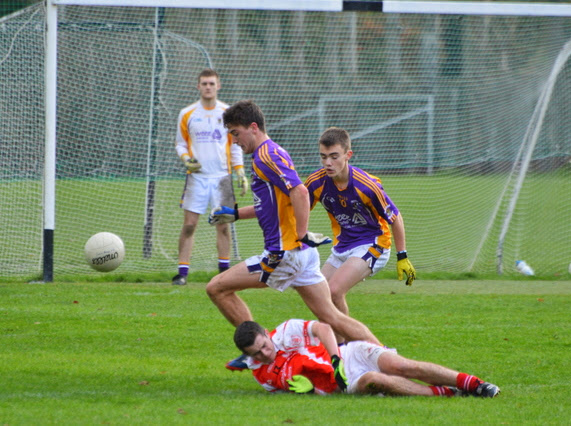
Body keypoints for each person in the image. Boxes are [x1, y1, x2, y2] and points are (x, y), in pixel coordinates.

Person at [206, 100, 381, 370]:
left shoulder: (267, 155)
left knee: (217, 288)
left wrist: (301, 234)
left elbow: (299, 192)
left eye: (236, 133)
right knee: (332, 317)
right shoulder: (268, 153)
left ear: (253, 128)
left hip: (282, 254)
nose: (235, 140)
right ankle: (384, 356)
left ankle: (257, 347)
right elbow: (273, 204)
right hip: (302, 255)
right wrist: (236, 213)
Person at [304, 127, 416, 330]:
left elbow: (395, 217)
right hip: (342, 246)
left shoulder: (366, 186)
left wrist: (402, 256)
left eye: (334, 156)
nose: (328, 163)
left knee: (334, 291)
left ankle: (347, 346)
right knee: (318, 296)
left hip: (374, 244)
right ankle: (335, 350)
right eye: (323, 157)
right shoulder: (316, 182)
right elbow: (297, 208)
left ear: (348, 155)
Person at [233, 318, 500, 398]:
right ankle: (446, 393)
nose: (265, 354)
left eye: (265, 346)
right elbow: (291, 391)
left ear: (266, 334)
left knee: (401, 365)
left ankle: (474, 384)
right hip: (342, 385)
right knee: (375, 380)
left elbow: (324, 328)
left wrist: (336, 360)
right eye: (256, 354)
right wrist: (309, 390)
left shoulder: (286, 330)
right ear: (247, 356)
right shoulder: (262, 374)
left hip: (350, 353)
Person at [173, 69, 249, 286]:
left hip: (222, 178)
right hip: (196, 178)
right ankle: (182, 273)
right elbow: (180, 143)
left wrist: (240, 172)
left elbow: (235, 145)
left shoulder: (227, 113)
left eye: (211, 83)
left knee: (223, 225)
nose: (208, 87)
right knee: (189, 225)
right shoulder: (187, 113)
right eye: (204, 83)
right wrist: (187, 159)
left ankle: (223, 273)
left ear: (219, 85)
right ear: (198, 86)